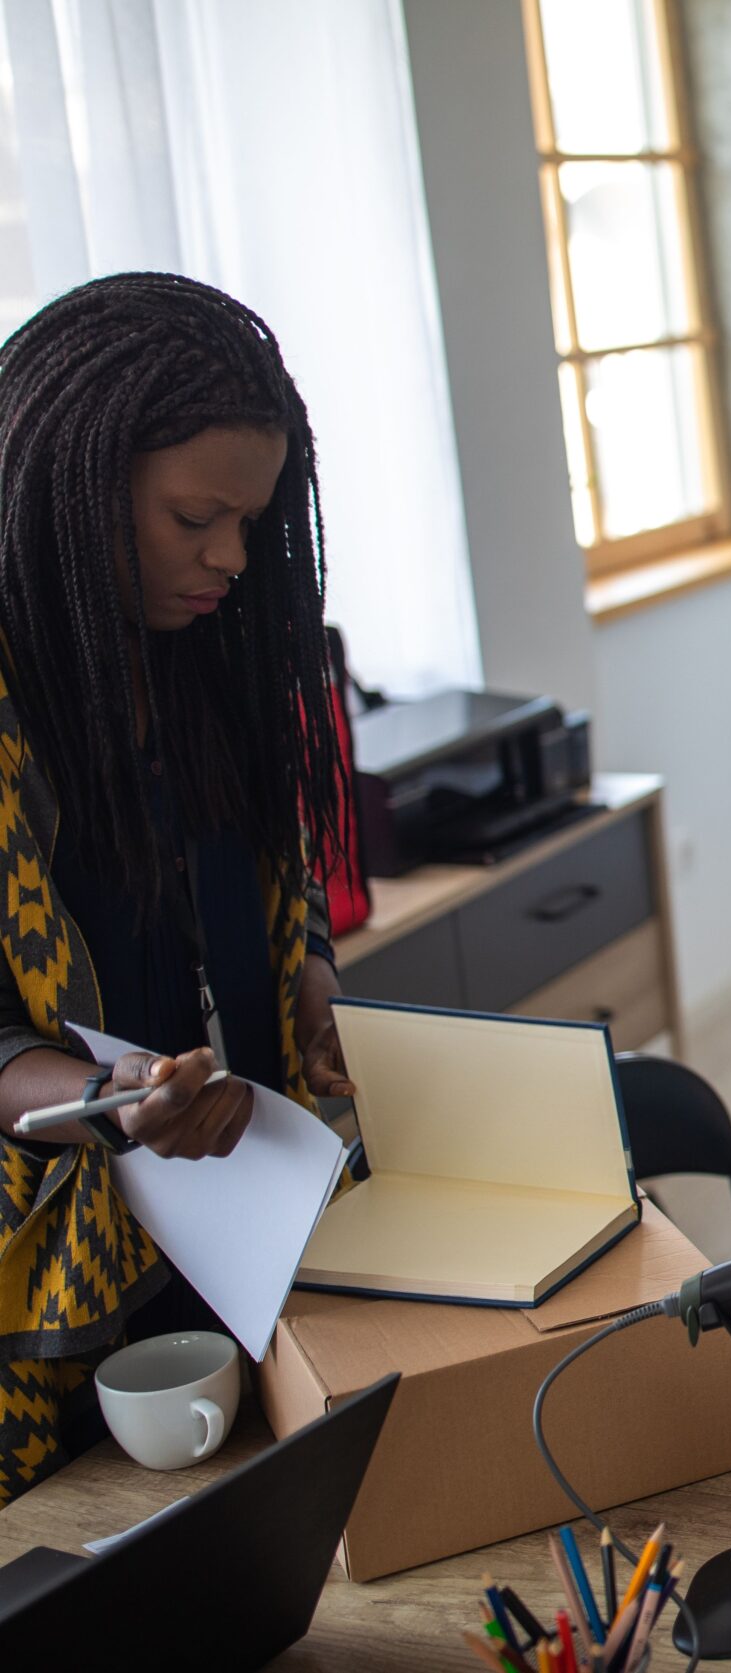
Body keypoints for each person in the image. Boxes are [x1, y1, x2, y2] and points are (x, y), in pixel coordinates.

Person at [0, 273, 356, 1506]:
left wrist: (303, 967)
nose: (229, 555)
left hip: (242, 1211)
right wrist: (106, 1099)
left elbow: (270, 854)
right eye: (194, 515)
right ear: (75, 487)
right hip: (57, 1270)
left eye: (252, 521)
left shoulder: (208, 643)